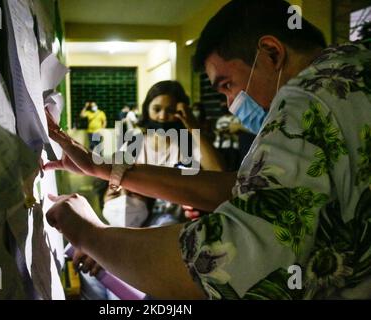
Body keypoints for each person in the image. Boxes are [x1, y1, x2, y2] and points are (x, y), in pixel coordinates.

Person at [45, 0, 371, 299]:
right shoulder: (352, 73)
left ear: (271, 54)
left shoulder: (307, 102)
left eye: (227, 85)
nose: (231, 106)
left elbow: (229, 256)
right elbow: (247, 186)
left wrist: (88, 233)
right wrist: (104, 170)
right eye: (157, 110)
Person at [74, 80, 222, 299]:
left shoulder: (188, 145)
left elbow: (218, 173)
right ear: (147, 110)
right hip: (134, 221)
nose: (163, 116)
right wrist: (118, 192)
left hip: (169, 229)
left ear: (182, 111)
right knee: (94, 271)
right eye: (157, 109)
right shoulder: (136, 142)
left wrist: (192, 125)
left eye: (171, 111)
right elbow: (113, 184)